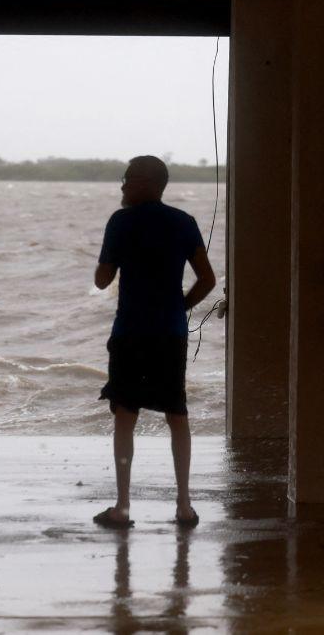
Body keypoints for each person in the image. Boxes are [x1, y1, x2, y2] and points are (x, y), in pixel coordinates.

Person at [92, 155, 216, 529]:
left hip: (130, 332)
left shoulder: (120, 222)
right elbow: (207, 280)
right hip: (170, 333)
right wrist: (181, 306)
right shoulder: (183, 222)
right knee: (177, 414)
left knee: (125, 416)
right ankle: (184, 506)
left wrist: (111, 260)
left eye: (127, 178)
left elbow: (102, 280)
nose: (122, 185)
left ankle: (122, 507)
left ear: (145, 183)